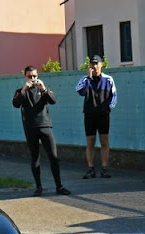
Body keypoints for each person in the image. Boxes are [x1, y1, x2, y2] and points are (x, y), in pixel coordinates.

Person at [12, 66, 71, 196]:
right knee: (35, 157)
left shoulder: (43, 90)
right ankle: (38, 187)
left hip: (45, 126)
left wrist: (43, 88)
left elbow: (53, 100)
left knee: (53, 157)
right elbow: (15, 103)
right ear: (25, 77)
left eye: (35, 76)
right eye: (30, 77)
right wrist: (24, 89)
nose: (33, 79)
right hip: (30, 128)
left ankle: (59, 186)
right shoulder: (21, 91)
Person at [76, 54, 117, 179]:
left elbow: (114, 96)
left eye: (96, 63)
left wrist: (108, 107)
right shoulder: (85, 79)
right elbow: (79, 91)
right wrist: (87, 79)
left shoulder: (108, 79)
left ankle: (104, 168)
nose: (93, 66)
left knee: (104, 140)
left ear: (101, 65)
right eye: (92, 64)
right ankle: (90, 168)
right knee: (90, 141)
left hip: (103, 114)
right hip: (89, 114)